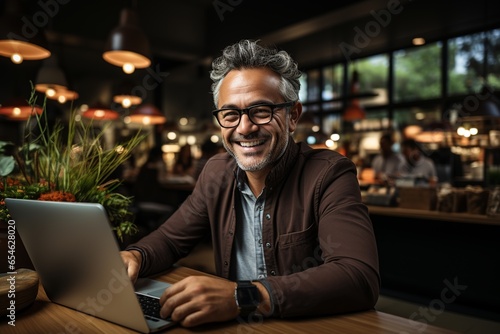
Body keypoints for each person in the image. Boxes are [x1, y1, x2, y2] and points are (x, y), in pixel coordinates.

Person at [120, 39, 380, 328]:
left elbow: (357, 276)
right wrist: (135, 256)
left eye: (261, 111)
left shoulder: (330, 173)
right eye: (230, 114)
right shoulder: (216, 172)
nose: (245, 128)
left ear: (292, 116)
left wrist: (243, 297)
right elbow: (170, 240)